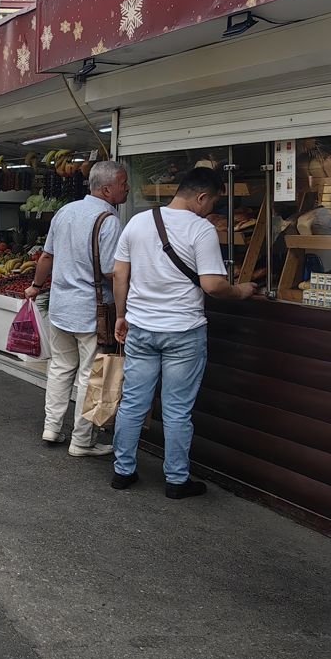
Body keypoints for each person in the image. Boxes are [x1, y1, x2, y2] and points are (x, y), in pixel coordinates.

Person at [109, 167, 257, 499]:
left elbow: (119, 274)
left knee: (133, 402)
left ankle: (122, 471)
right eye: (213, 202)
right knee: (177, 409)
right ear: (201, 197)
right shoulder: (201, 230)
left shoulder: (138, 222)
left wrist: (121, 315)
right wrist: (241, 290)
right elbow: (213, 285)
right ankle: (176, 480)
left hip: (142, 327)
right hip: (183, 333)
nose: (211, 209)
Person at [24, 160, 130, 456]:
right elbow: (111, 271)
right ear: (107, 190)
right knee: (89, 374)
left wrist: (36, 286)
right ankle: (82, 441)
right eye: (123, 184)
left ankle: (51, 427)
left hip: (60, 307)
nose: (127, 189)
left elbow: (47, 257)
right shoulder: (109, 221)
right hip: (92, 312)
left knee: (60, 368)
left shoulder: (65, 212)